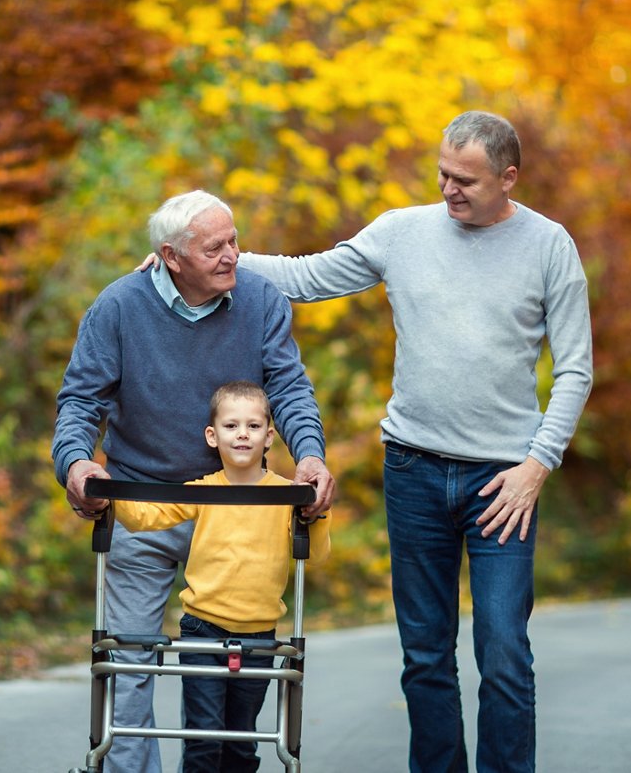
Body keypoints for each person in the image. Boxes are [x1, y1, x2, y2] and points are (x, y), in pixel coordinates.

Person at [235, 111, 593, 772]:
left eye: (466, 180)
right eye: (442, 174)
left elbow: (576, 368)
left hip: (503, 484)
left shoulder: (549, 246)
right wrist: (215, 259)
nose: (449, 188)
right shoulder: (403, 232)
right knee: (425, 657)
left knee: (505, 653)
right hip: (414, 471)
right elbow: (311, 277)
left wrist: (538, 465)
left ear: (508, 178)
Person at [52, 190, 335, 773]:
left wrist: (309, 455)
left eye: (234, 240)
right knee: (130, 667)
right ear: (171, 256)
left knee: (226, 674)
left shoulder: (259, 300)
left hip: (237, 515)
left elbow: (289, 389)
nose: (235, 255)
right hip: (144, 503)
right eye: (217, 247)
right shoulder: (119, 307)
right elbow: (80, 401)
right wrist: (77, 463)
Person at [110, 380, 331, 773]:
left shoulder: (285, 495)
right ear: (212, 436)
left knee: (242, 742)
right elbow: (147, 516)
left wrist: (315, 512)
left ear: (269, 436)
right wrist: (108, 492)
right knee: (204, 739)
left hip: (260, 633)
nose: (242, 434)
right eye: (231, 426)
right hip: (203, 630)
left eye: (252, 426)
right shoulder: (203, 491)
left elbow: (316, 552)